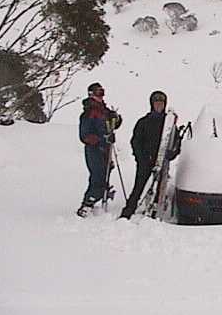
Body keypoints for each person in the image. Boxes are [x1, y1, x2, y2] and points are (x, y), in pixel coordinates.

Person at [119, 91, 181, 220]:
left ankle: (154, 211)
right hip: (145, 161)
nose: (159, 106)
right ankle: (128, 211)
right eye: (156, 103)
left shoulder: (169, 123)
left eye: (161, 103)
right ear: (152, 104)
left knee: (160, 188)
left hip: (162, 161)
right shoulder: (143, 122)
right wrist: (141, 158)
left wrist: (172, 153)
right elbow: (135, 142)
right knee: (139, 186)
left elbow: (176, 142)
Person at [77, 82, 122, 217]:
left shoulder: (104, 110)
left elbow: (114, 124)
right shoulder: (89, 112)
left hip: (105, 149)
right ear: (91, 94)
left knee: (105, 173)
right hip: (95, 149)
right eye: (98, 93)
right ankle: (87, 204)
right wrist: (102, 139)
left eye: (102, 92)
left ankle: (101, 197)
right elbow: (84, 135)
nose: (101, 96)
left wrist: (117, 118)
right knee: (98, 175)